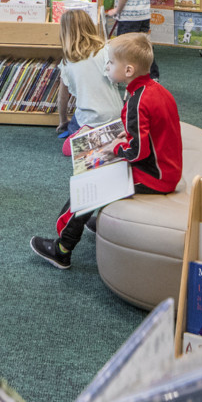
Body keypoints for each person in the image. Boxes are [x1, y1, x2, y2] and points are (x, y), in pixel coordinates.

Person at [31, 33, 182, 270]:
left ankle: (62, 249)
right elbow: (150, 134)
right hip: (163, 168)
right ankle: (88, 223)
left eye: (110, 63)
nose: (106, 67)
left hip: (155, 176)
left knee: (89, 188)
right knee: (96, 171)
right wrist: (127, 138)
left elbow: (137, 152)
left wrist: (118, 146)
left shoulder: (138, 100)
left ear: (129, 70)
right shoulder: (152, 90)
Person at [55, 8, 124, 155]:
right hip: (117, 116)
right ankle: (114, 137)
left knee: (71, 133)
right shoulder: (107, 50)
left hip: (91, 119)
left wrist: (63, 121)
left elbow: (63, 98)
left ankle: (93, 137)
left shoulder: (67, 63)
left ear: (64, 33)